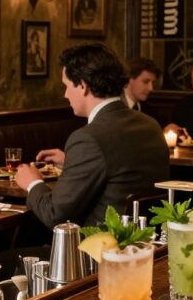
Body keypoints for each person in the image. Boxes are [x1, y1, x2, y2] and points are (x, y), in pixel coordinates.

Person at [15, 44, 170, 228]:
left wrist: (33, 183)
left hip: (97, 250)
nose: (65, 94)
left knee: (3, 254)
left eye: (66, 85)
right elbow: (119, 167)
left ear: (82, 85)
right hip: (145, 245)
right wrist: (72, 162)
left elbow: (55, 215)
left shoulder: (88, 138)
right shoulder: (150, 125)